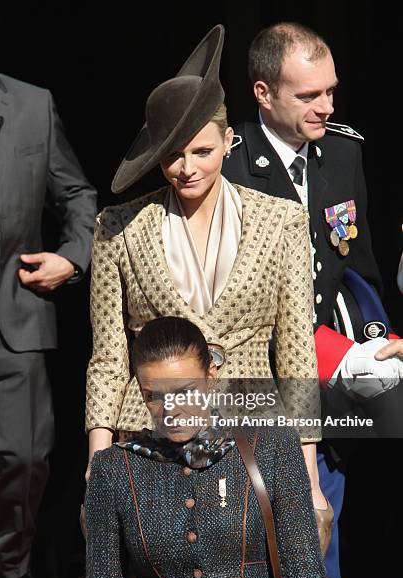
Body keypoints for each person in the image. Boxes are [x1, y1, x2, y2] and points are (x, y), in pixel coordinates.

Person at [85, 25, 329, 532]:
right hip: (150, 437)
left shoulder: (281, 221)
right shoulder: (118, 227)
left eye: (201, 151)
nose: (187, 168)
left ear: (228, 141)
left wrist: (308, 471)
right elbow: (109, 358)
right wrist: (96, 465)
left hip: (253, 433)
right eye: (172, 155)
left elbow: (295, 352)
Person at [222, 21, 402, 578]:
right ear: (262, 92)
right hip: (250, 385)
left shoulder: (344, 151)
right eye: (308, 95)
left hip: (326, 383)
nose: (326, 105)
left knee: (320, 541)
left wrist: (376, 342)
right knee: (249, 551)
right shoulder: (226, 162)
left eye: (331, 90)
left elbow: (360, 264)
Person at [85, 315, 329, 578]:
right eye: (155, 396)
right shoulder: (114, 469)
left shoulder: (272, 447)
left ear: (211, 375)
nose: (171, 410)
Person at [0, 72, 97, 578]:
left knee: (25, 458)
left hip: (12, 317)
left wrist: (73, 255)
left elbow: (77, 193)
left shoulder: (34, 105)